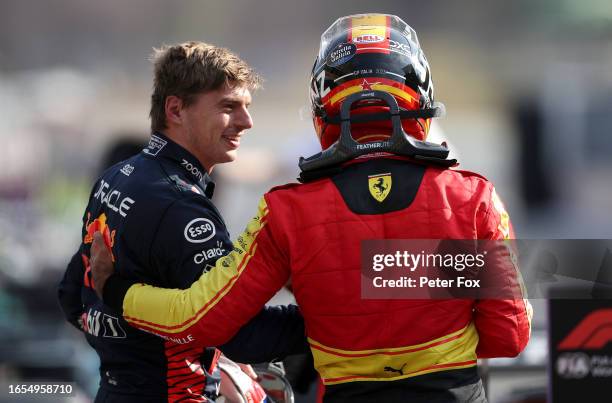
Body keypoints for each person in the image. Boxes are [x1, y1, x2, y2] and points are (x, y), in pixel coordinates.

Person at [91, 15, 533, 403]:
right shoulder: (474, 198)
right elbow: (508, 336)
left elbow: (201, 318)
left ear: (323, 105)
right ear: (420, 96)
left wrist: (115, 291)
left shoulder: (286, 211)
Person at [57, 41, 306, 403]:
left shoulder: (117, 176)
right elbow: (239, 333)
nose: (246, 121)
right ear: (175, 109)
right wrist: (334, 313)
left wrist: (126, 343)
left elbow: (71, 296)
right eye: (228, 107)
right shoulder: (180, 205)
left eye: (247, 108)